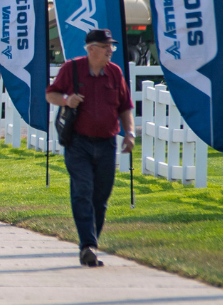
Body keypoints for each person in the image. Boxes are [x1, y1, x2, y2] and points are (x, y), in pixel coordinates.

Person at [44, 28, 138, 268]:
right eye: (106, 47)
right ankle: (88, 245)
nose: (111, 51)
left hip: (107, 143)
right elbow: (50, 95)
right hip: (78, 143)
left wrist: (129, 133)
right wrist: (66, 100)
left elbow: (125, 106)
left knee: (101, 197)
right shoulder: (72, 69)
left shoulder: (115, 73)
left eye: (112, 47)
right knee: (82, 191)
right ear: (91, 49)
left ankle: (91, 242)